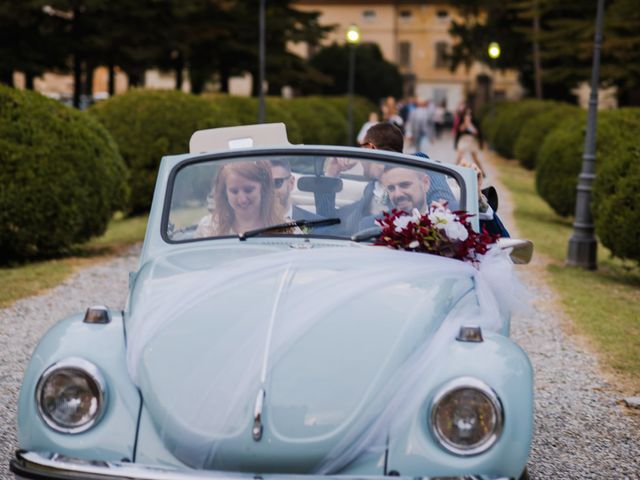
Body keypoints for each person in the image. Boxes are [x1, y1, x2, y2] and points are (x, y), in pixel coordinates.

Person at [195, 161, 284, 237]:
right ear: (225, 193)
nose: (242, 200)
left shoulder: (285, 227)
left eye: (248, 190)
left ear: (263, 188)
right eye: (234, 191)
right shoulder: (207, 229)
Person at [454, 106, 486, 177]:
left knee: (475, 157)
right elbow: (460, 131)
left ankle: (481, 171)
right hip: (463, 139)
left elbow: (477, 132)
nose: (468, 115)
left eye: (469, 114)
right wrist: (466, 123)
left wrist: (470, 125)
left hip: (471, 140)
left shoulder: (475, 121)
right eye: (466, 114)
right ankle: (453, 171)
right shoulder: (462, 121)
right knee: (459, 156)